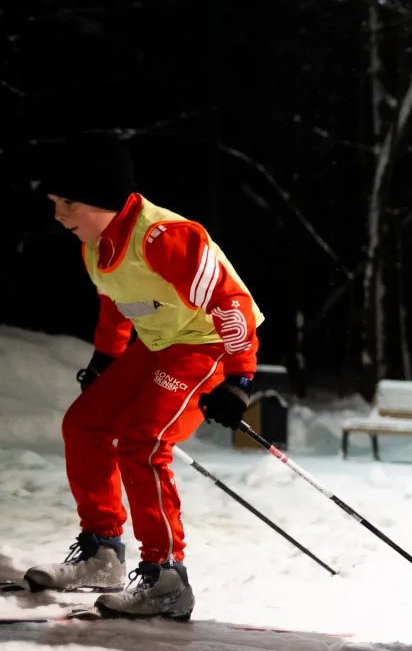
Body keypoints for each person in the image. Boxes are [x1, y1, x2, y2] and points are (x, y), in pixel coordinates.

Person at [24, 137, 264, 619]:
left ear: (103, 197)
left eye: (68, 202)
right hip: (158, 344)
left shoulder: (164, 238)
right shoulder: (96, 245)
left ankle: (167, 579)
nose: (58, 214)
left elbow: (230, 301)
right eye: (54, 203)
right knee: (85, 425)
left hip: (205, 342)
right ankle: (102, 554)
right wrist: (104, 361)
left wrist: (239, 382)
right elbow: (117, 301)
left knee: (144, 443)